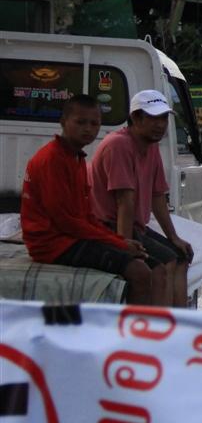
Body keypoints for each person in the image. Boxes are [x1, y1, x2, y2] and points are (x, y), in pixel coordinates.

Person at [20, 95, 155, 304]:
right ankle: (132, 334)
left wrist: (120, 241)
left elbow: (87, 216)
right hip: (52, 244)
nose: (88, 129)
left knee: (146, 261)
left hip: (69, 237)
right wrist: (116, 242)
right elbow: (66, 221)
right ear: (63, 122)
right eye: (80, 122)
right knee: (140, 272)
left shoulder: (78, 159)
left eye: (94, 124)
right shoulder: (52, 159)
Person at [90, 89, 194, 308]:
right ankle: (157, 330)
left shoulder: (151, 145)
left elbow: (157, 197)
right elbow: (124, 202)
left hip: (136, 226)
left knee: (181, 257)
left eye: (164, 118)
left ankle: (179, 324)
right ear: (136, 118)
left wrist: (173, 237)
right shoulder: (118, 145)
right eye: (153, 118)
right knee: (161, 267)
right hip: (107, 225)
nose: (160, 125)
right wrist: (124, 245)